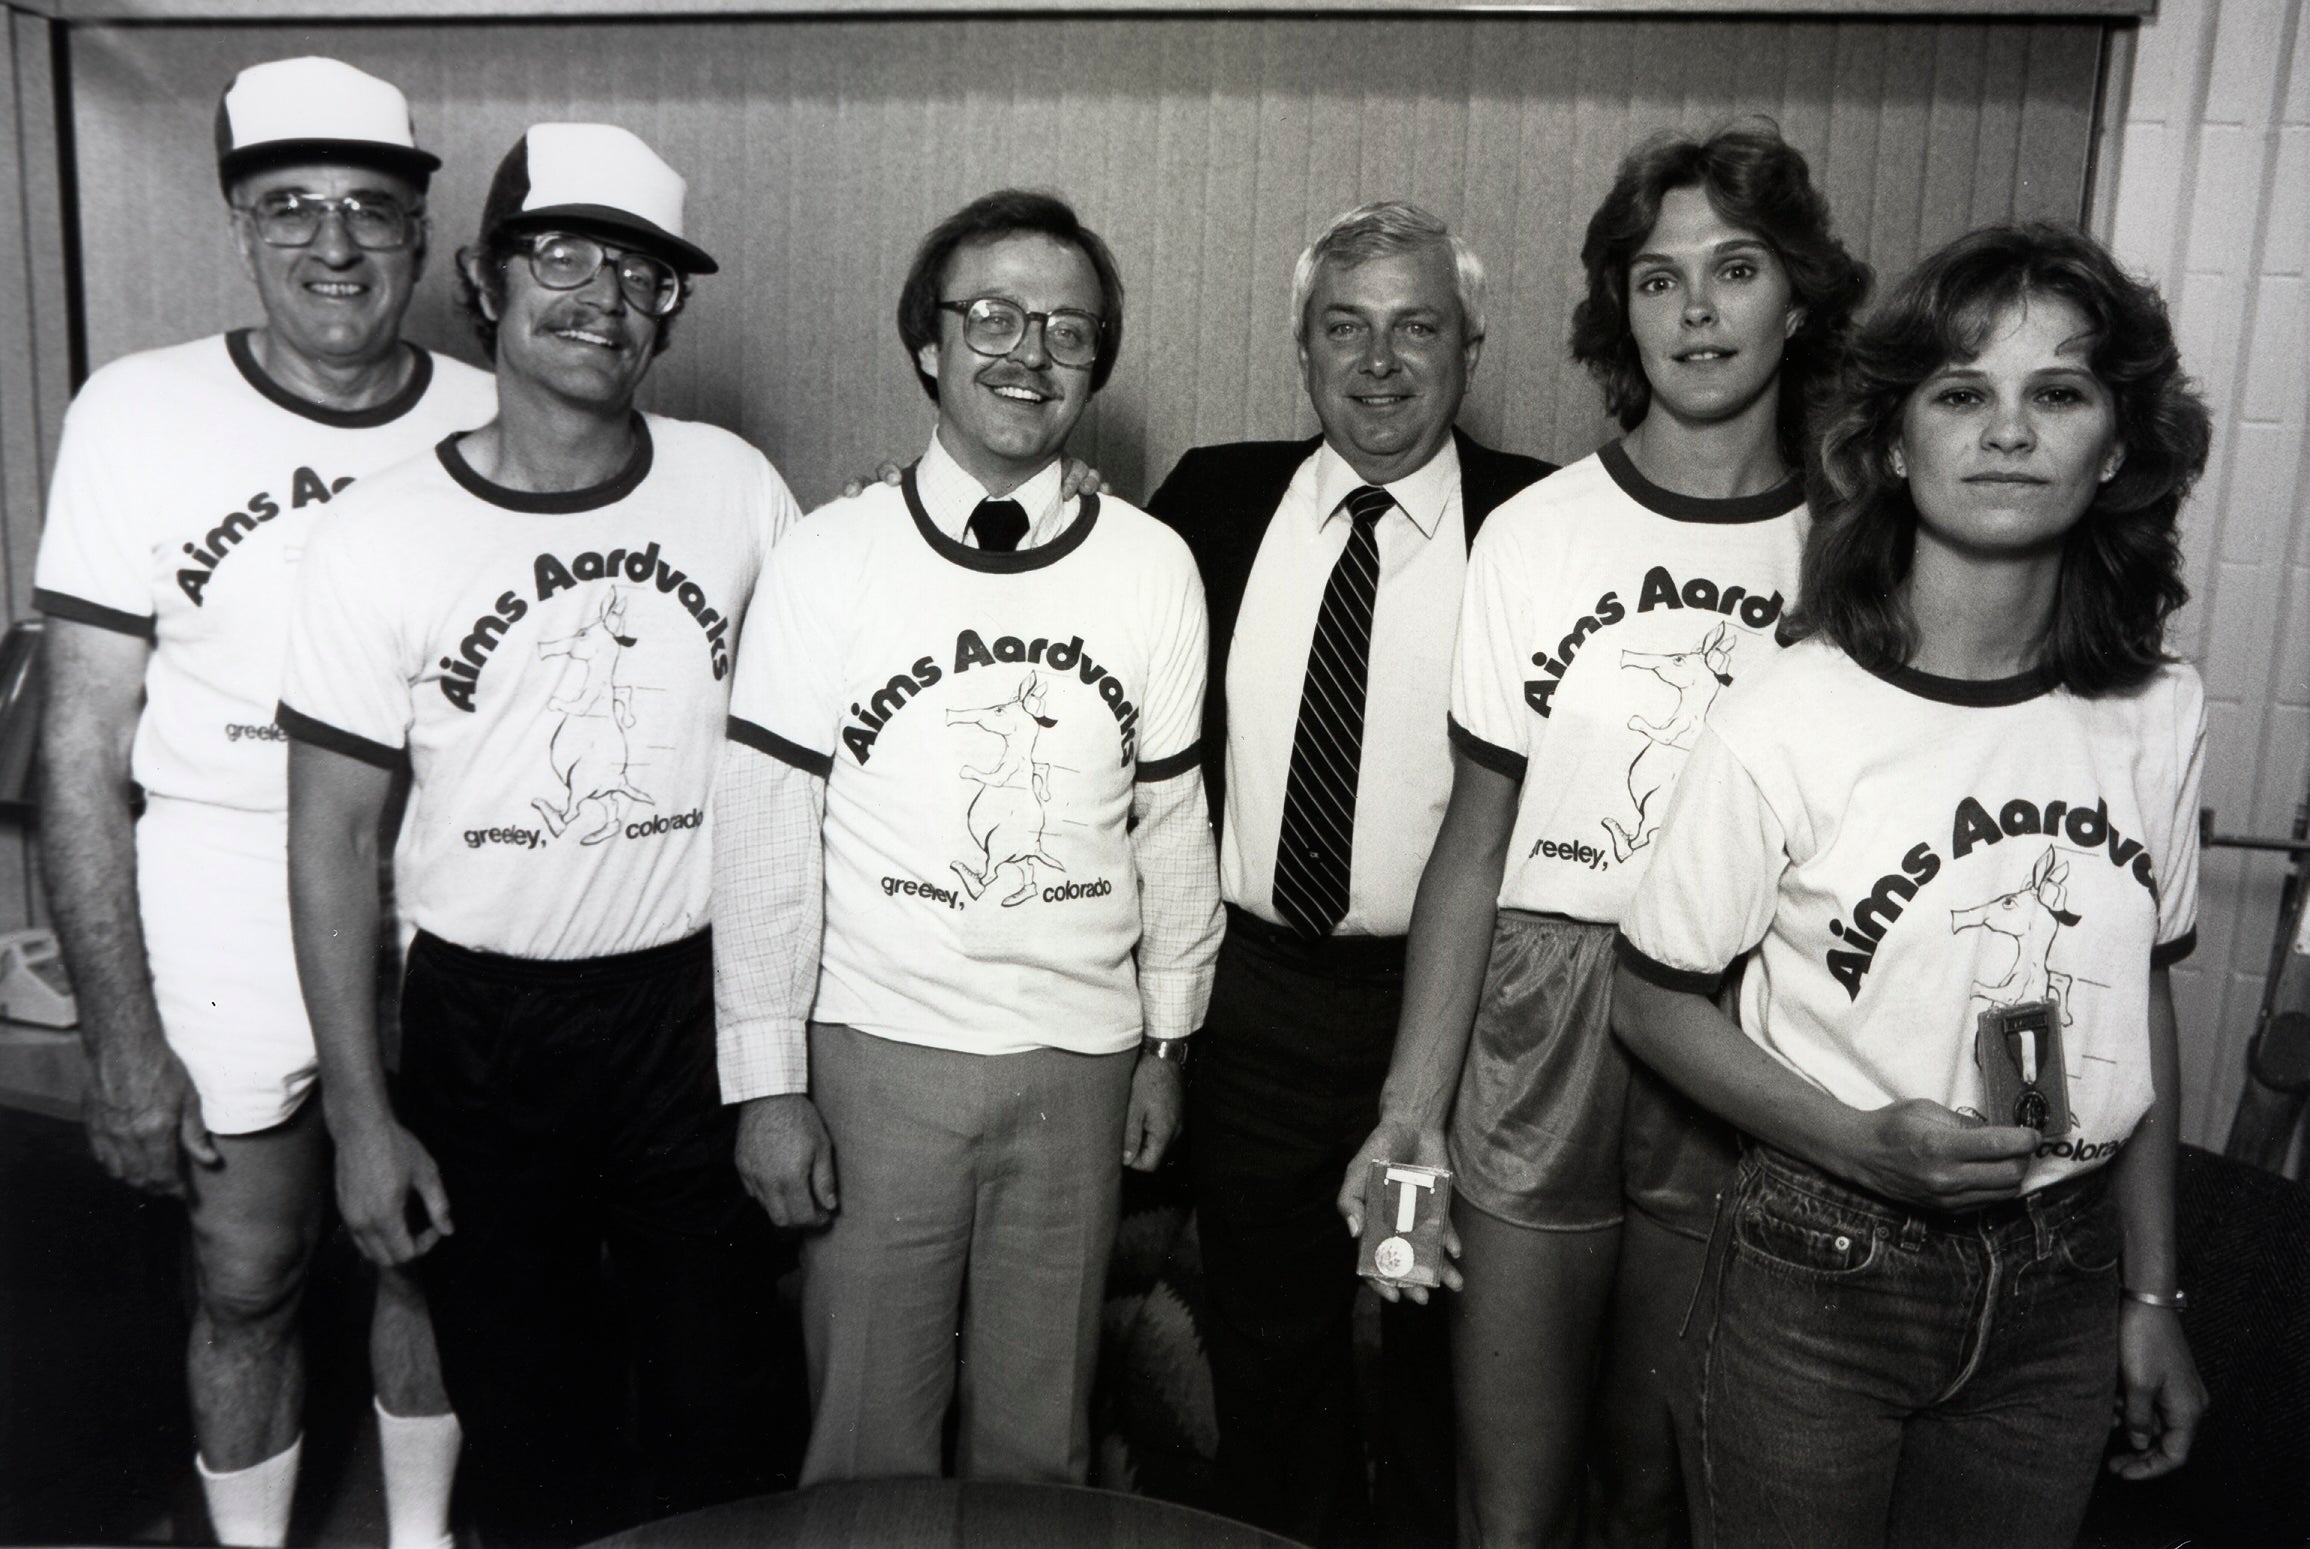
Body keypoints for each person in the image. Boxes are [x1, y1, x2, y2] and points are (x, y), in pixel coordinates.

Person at [1612, 222, 2211, 1549]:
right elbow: (1650, 1003)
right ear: (1891, 443)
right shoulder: (1785, 714)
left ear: (2113, 445)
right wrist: (1854, 1144)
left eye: (2053, 393)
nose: (2006, 430)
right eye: (1959, 393)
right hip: (1822, 1263)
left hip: (2064, 1268)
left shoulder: (2156, 708)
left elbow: (2141, 1007)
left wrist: (2150, 1296)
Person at [1339, 126, 1867, 1548]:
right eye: (1656, 278)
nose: (1695, 310)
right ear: (1616, 311)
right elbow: (1478, 828)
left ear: (1797, 297)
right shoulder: (1539, 532)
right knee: (1507, 1506)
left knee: (1656, 1487)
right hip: (1542, 1008)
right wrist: (1409, 1108)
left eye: (1734, 269)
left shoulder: (1858, 545)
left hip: (1744, 1017)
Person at [279, 123, 801, 1545]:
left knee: (721, 1403)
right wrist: (360, 1114)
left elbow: (800, 774)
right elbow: (328, 838)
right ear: (481, 276)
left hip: (684, 1009)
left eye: (641, 273)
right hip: (483, 1025)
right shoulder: (377, 535)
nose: (603, 298)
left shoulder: (736, 489)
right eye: (562, 254)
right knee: (523, 1413)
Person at [33, 56, 493, 1549]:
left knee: (432, 1246)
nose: (334, 246)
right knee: (248, 1268)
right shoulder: (139, 410)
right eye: (289, 208)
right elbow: (80, 750)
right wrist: (119, 1037)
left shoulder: (501, 412)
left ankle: (416, 1540)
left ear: (425, 238)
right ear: (239, 226)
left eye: (371, 209)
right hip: (223, 880)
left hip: (434, 876)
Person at [715, 188, 1221, 1487]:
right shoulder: (829, 557)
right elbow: (765, 842)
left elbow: (1169, 821)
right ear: (928, 343)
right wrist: (769, 1084)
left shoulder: (1154, 563)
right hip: (882, 1052)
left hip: (1082, 1057)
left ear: (1094, 362)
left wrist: (1169, 1039)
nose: (1026, 352)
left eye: (1065, 328)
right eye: (991, 315)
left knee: (1038, 1442)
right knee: (868, 1437)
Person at [1144, 200, 1551, 1547]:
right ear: (1302, 348)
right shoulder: (1209, 498)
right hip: (1257, 1012)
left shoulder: (1539, 526)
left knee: (1421, 1324)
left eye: (1414, 327)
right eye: (1344, 327)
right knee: (1269, 1346)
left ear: (1468, 347)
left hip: (1436, 1023)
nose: (1378, 361)